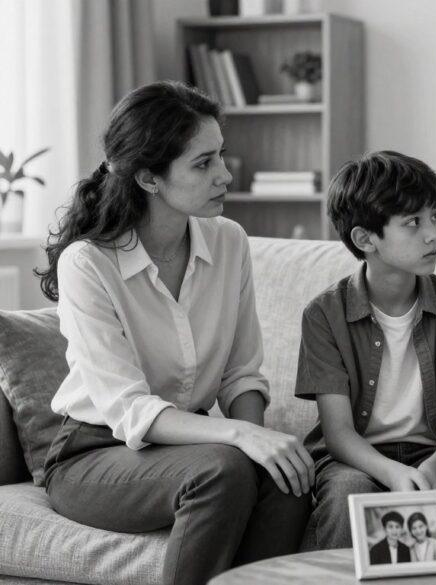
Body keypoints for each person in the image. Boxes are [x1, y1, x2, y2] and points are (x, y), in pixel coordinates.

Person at [36, 81, 313, 585]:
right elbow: (127, 407)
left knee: (287, 475)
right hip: (93, 455)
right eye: (203, 164)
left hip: (188, 445)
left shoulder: (228, 241)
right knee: (224, 469)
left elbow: (240, 374)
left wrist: (261, 438)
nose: (225, 175)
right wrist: (238, 435)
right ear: (149, 178)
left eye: (221, 156)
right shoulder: (89, 264)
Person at [296, 150, 436, 550]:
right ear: (365, 239)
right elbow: (338, 434)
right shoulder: (324, 315)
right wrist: (391, 474)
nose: (433, 235)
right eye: (413, 223)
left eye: (433, 217)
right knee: (346, 495)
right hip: (356, 458)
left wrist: (431, 469)